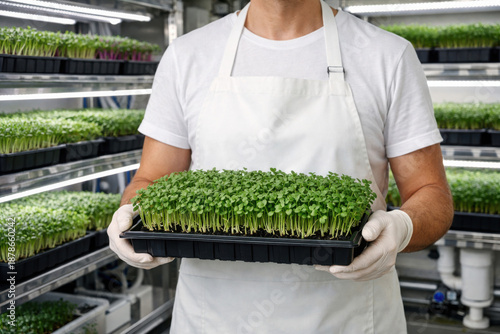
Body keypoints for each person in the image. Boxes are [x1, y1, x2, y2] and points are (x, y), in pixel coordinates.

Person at [108, 0, 454, 332]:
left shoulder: (387, 55)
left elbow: (431, 194)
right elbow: (151, 179)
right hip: (215, 318)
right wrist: (130, 212)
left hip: (346, 316)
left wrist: (401, 228)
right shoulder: (187, 55)